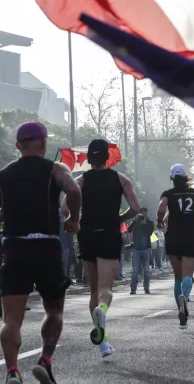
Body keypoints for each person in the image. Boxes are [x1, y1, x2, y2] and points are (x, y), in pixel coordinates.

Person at [0, 121, 81, 384]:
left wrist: (6, 216)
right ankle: (45, 360)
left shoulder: (3, 175)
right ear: (44, 143)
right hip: (47, 248)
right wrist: (74, 219)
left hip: (15, 248)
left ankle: (12, 371)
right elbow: (73, 189)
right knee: (54, 311)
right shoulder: (54, 169)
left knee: (11, 319)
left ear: (17, 146)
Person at [74, 138, 140, 358]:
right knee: (106, 290)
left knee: (93, 290)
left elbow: (65, 206)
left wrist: (76, 217)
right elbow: (135, 208)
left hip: (87, 235)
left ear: (89, 158)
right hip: (110, 234)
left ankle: (102, 343)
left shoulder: (80, 181)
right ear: (107, 157)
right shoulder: (121, 180)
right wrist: (119, 217)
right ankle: (102, 310)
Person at [157, 164, 194, 329]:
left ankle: (180, 308)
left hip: (173, 238)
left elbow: (161, 208)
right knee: (188, 276)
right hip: (189, 238)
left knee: (178, 277)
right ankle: (184, 297)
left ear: (172, 178)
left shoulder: (168, 194)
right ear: (186, 177)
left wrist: (160, 220)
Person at [130, 210, 155, 295]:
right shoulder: (135, 223)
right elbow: (129, 230)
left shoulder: (150, 223)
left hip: (146, 249)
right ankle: (133, 289)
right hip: (136, 250)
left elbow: (150, 232)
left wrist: (145, 224)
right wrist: (134, 221)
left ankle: (146, 288)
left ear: (147, 214)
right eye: (141, 213)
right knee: (135, 271)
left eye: (144, 213)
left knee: (146, 270)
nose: (143, 215)